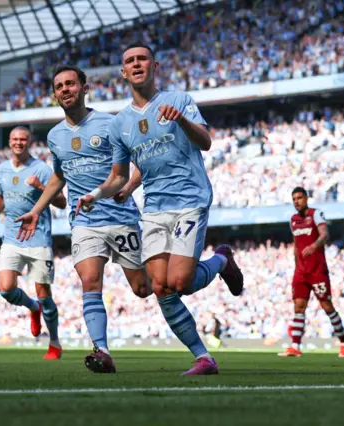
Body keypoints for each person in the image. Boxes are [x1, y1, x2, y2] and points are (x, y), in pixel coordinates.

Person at [74, 43, 244, 375]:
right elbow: (118, 175)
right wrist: (99, 193)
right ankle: (204, 358)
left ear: (155, 66)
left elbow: (206, 142)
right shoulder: (119, 123)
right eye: (129, 61)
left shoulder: (178, 100)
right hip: (153, 209)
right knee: (160, 287)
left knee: (179, 282)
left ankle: (222, 259)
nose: (136, 64)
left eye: (142, 59)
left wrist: (180, 120)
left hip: (189, 199)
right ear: (123, 73)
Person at [14, 65, 151, 373]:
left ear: (85, 87)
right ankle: (101, 350)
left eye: (71, 84)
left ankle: (216, 264)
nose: (65, 89)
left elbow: (133, 167)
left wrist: (123, 189)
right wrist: (37, 211)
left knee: (145, 289)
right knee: (90, 282)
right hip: (84, 223)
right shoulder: (54, 136)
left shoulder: (110, 123)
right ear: (54, 94)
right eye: (59, 85)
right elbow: (58, 177)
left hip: (120, 218)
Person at [0, 126, 67, 360]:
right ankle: (33, 308)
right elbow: (0, 196)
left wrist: (41, 187)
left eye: (23, 139)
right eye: (15, 139)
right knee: (5, 289)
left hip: (38, 238)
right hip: (11, 237)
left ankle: (54, 343)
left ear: (29, 142)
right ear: (9, 142)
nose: (19, 143)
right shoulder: (1, 169)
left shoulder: (41, 169)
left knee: (44, 294)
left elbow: (61, 202)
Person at [279, 187, 344, 358]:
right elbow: (296, 245)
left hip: (317, 271)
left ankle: (343, 342)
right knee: (298, 307)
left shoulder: (316, 214)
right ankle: (295, 346)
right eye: (294, 198)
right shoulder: (293, 219)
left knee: (327, 306)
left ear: (306, 198)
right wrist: (296, 265)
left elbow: (324, 234)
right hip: (301, 272)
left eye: (299, 198)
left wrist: (313, 246)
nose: (296, 201)